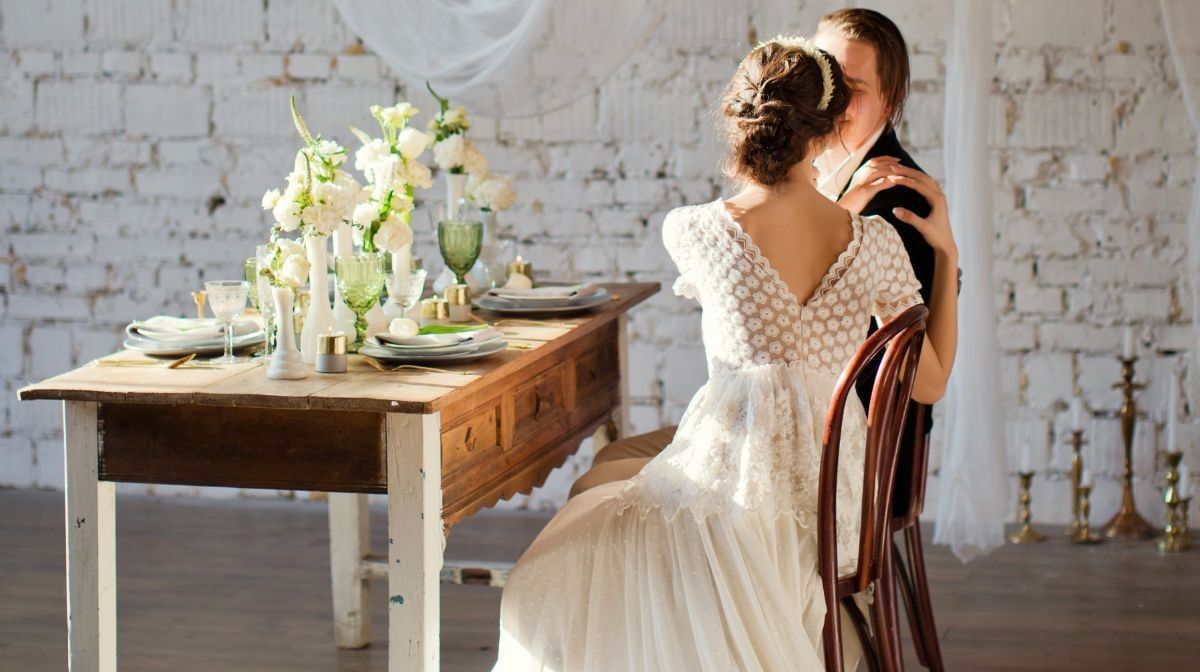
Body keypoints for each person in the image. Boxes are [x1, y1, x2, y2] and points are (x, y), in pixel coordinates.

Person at [493, 34, 959, 670]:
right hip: (839, 504)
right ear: (826, 131)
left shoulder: (695, 230)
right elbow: (928, 384)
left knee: (547, 576)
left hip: (737, 495)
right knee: (602, 497)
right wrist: (947, 255)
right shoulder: (873, 241)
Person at [570, 9, 948, 527]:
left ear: (891, 99)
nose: (833, 100)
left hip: (848, 455)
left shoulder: (896, 207)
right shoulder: (832, 186)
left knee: (599, 490)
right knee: (611, 459)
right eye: (827, 78)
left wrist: (938, 252)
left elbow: (893, 374)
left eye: (851, 87)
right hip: (778, 437)